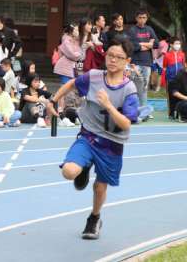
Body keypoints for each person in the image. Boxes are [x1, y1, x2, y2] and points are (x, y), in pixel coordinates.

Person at [47, 38, 139, 240]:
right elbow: (72, 83)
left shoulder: (129, 90)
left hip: (112, 144)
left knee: (99, 187)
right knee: (69, 172)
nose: (113, 60)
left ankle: (94, 218)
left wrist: (108, 105)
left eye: (118, 57)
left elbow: (126, 124)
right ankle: (84, 166)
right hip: (89, 135)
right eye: (110, 55)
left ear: (127, 61)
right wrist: (52, 100)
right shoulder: (94, 77)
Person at [128, 8, 159, 107]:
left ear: (147, 18)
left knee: (144, 87)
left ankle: (144, 109)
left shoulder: (149, 29)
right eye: (140, 17)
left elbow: (156, 44)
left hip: (147, 62)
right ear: (136, 18)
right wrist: (147, 44)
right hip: (135, 63)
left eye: (144, 18)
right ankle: (134, 108)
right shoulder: (132, 30)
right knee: (134, 87)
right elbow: (132, 45)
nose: (142, 20)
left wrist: (141, 45)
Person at [53, 24, 82, 112]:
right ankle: (60, 108)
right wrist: (79, 54)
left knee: (68, 88)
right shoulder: (66, 40)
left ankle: (64, 108)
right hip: (65, 67)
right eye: (76, 30)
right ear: (71, 31)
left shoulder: (73, 40)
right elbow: (72, 54)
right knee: (64, 88)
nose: (78, 32)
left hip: (70, 67)